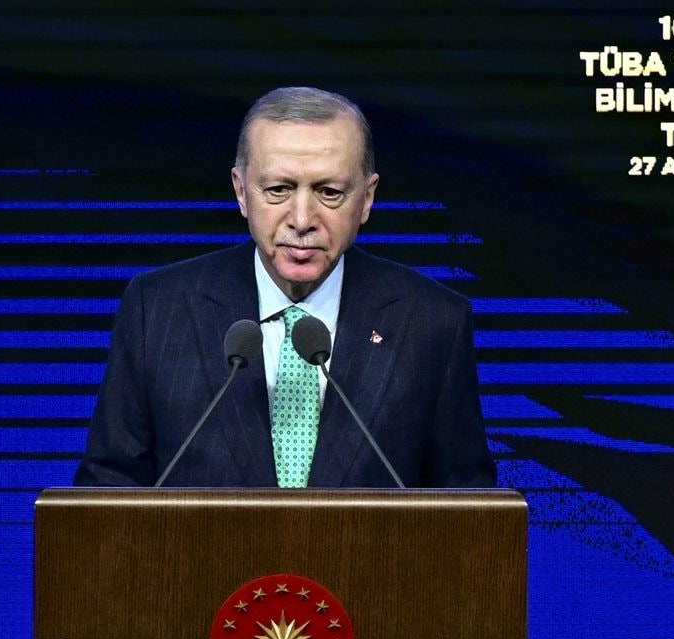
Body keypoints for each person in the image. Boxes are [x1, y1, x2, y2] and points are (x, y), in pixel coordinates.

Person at [73, 86, 495, 488]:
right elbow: (106, 491)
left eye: (329, 192)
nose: (301, 219)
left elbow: (469, 507)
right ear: (241, 191)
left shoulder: (432, 322)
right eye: (278, 189)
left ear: (367, 198)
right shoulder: (158, 310)